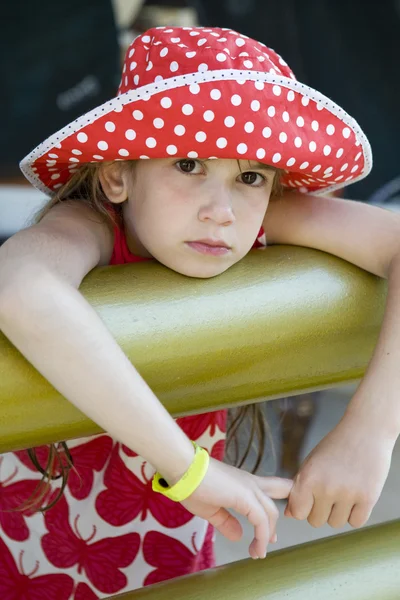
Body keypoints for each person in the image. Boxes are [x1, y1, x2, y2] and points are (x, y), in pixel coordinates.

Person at [0, 25, 399, 599]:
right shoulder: (89, 223)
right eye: (188, 164)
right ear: (118, 174)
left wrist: (371, 429)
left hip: (176, 540)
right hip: (26, 541)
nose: (221, 210)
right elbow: (22, 289)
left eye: (250, 176)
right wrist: (189, 471)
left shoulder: (252, 219)